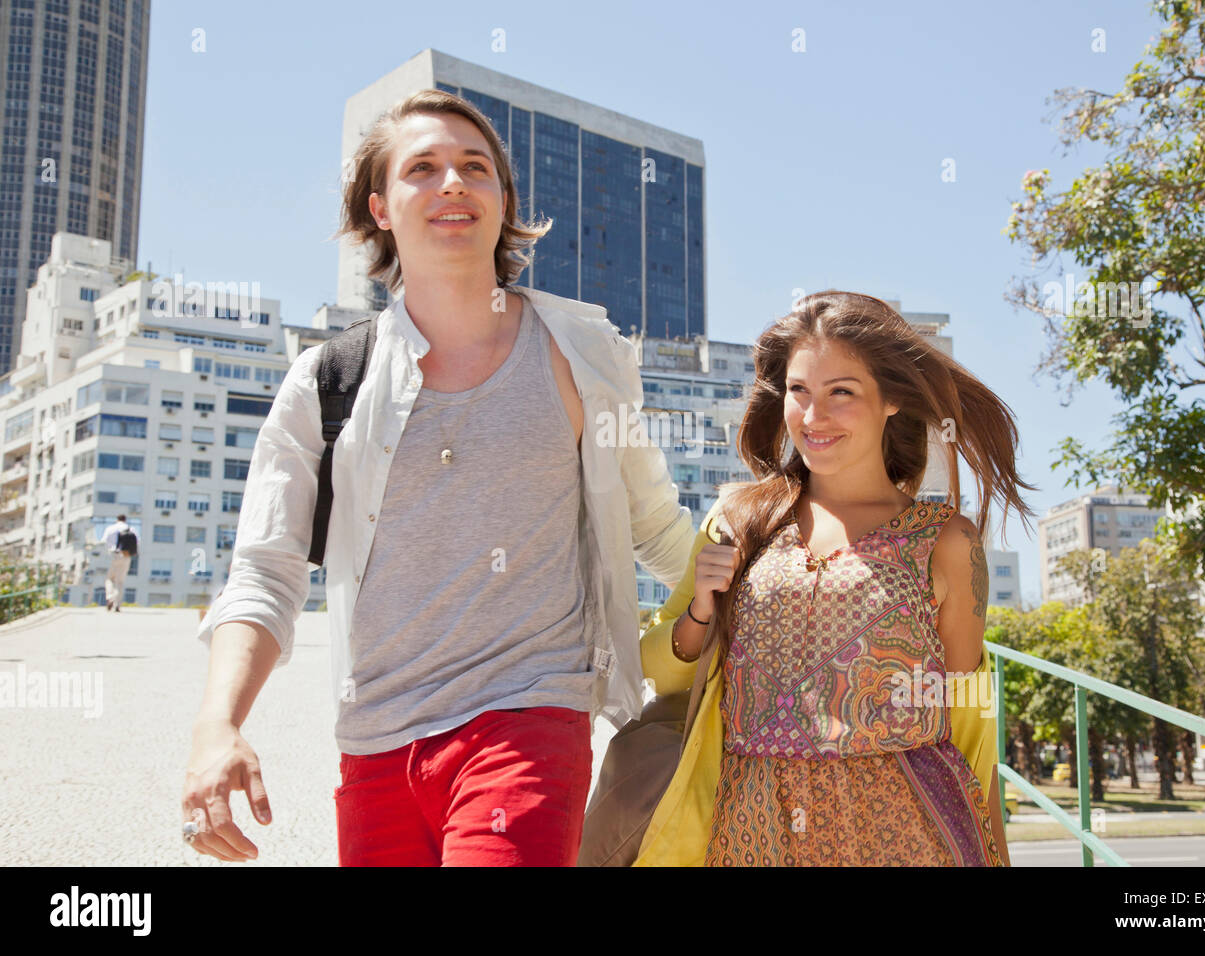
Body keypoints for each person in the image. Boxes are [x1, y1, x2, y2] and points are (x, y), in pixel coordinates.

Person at [182, 89, 694, 866]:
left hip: (528, 718)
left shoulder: (583, 357)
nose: (453, 181)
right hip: (377, 742)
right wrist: (218, 725)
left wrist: (776, 594)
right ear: (381, 208)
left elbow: (656, 527)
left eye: (475, 167)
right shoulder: (325, 383)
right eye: (424, 167)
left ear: (501, 201)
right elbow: (265, 570)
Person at [635, 292, 1036, 866]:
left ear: (892, 398)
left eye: (840, 392)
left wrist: (993, 853)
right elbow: (661, 670)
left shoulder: (948, 541)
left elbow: (970, 716)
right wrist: (701, 607)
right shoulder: (740, 520)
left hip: (906, 825)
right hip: (754, 822)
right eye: (799, 391)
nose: (812, 416)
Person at [99, 514, 134, 612]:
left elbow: (103, 541)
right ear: (125, 520)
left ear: (117, 519)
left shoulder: (111, 528)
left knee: (109, 579)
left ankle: (110, 597)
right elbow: (137, 543)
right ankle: (117, 603)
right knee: (120, 581)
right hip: (126, 556)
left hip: (113, 556)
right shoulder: (131, 529)